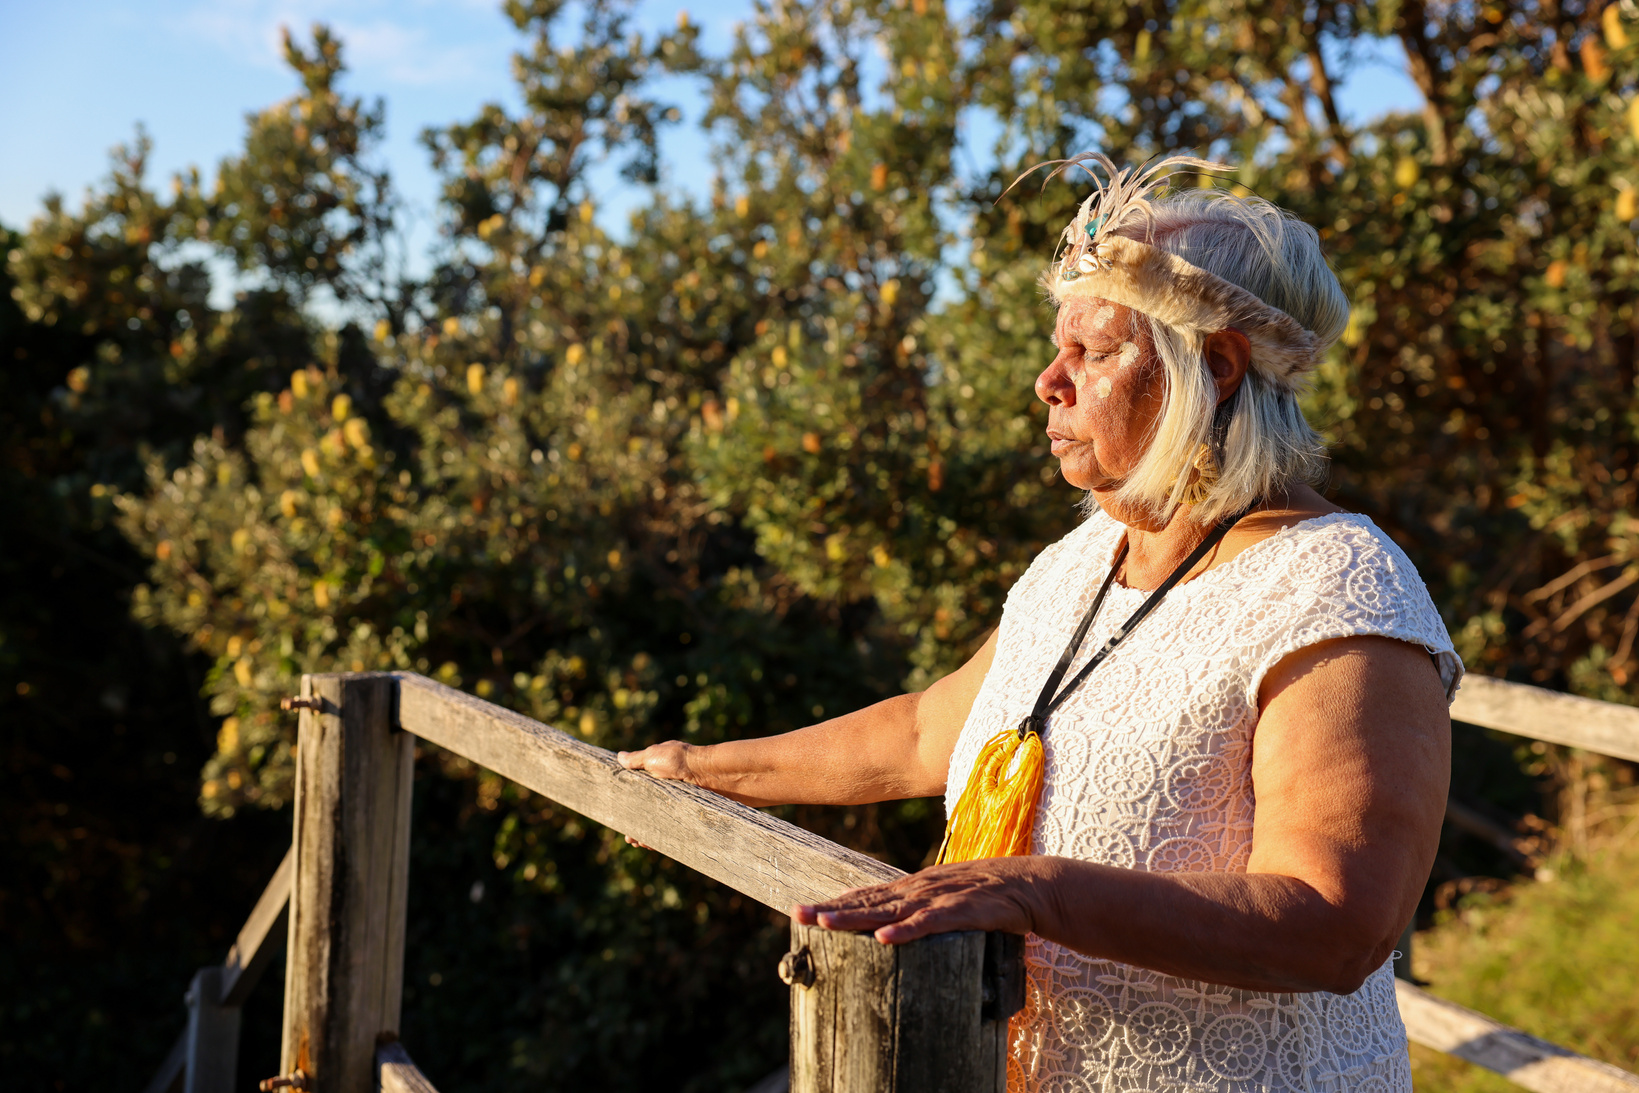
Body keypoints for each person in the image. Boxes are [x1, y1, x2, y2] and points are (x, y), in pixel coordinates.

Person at [620, 155, 1460, 1092]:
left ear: (1214, 367)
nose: (1046, 382)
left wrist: (1031, 889)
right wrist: (699, 773)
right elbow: (926, 731)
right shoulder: (1081, 561)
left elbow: (1334, 921)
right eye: (1057, 349)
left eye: (1093, 353)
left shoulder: (1336, 586)